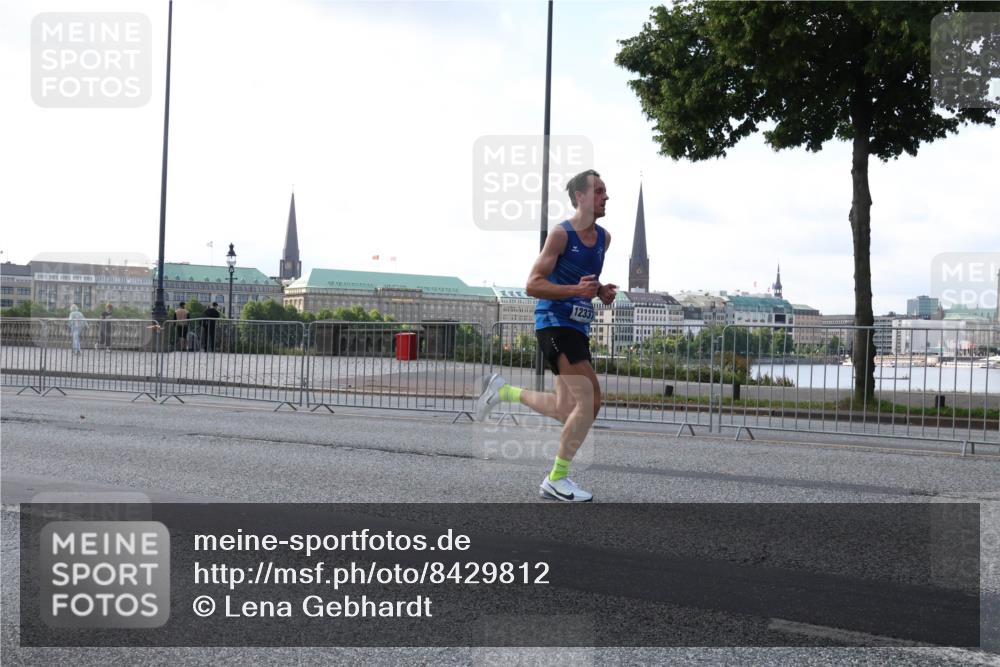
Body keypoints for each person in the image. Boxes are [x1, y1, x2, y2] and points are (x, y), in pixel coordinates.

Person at [476, 169, 617, 502]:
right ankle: (556, 478)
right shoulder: (561, 235)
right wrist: (576, 291)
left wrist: (599, 291)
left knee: (566, 408)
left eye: (605, 191)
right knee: (591, 399)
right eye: (599, 191)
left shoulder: (604, 239)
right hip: (553, 323)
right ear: (580, 197)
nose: (606, 197)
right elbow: (533, 284)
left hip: (578, 327)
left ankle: (503, 391)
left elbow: (582, 280)